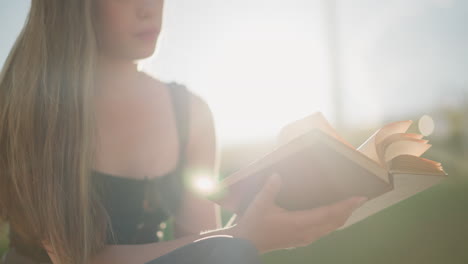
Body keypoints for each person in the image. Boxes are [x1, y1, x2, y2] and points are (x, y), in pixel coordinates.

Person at [0, 0, 368, 263]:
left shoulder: (188, 111)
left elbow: (200, 244)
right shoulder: (28, 100)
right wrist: (242, 237)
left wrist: (264, 224)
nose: (149, 6)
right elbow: (72, 259)